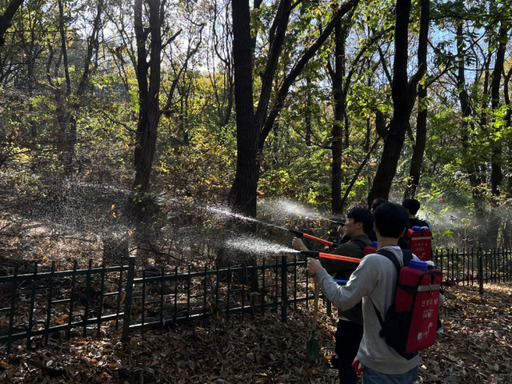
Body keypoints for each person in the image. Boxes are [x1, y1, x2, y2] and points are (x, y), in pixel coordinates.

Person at [307, 202, 420, 383]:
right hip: (410, 360)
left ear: (374, 227)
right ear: (402, 231)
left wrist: (320, 273)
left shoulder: (373, 262)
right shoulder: (412, 259)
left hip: (381, 366)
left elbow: (343, 300)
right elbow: (438, 299)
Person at [293, 207, 374, 384]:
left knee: (345, 363)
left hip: (352, 316)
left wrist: (302, 248)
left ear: (359, 224)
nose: (345, 224)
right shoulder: (370, 245)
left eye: (348, 221)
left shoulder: (351, 248)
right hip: (369, 316)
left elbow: (321, 265)